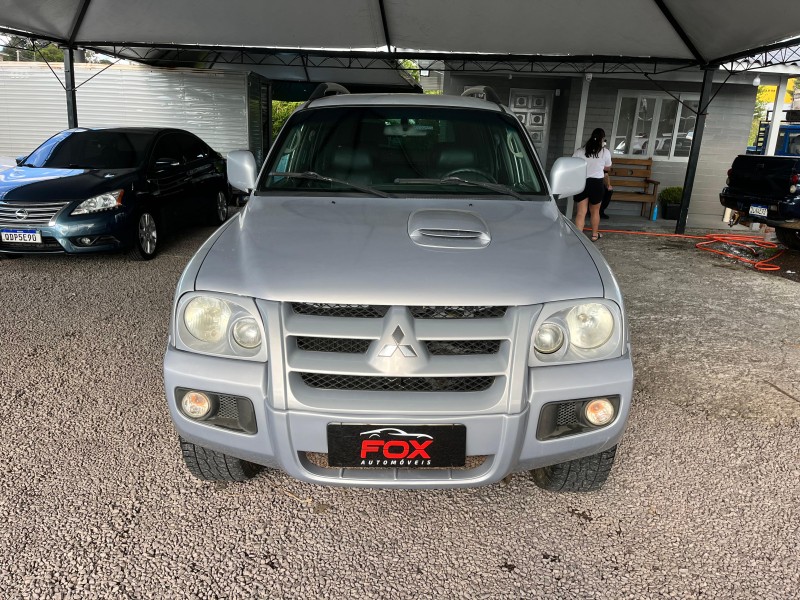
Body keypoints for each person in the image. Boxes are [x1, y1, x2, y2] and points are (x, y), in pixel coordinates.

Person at [572, 128, 612, 241]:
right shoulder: (605, 152)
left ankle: (578, 238)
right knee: (595, 211)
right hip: (596, 183)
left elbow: (572, 164)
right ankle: (594, 235)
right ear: (602, 139)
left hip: (582, 182)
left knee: (581, 212)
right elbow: (608, 167)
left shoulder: (580, 151)